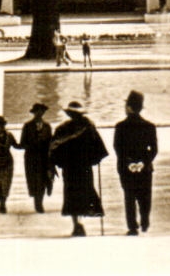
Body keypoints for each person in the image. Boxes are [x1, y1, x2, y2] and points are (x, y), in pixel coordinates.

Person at [49, 101, 107, 236]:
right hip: (81, 166)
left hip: (72, 167)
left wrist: (58, 162)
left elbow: (54, 148)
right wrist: (95, 159)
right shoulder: (87, 127)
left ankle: (77, 223)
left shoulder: (65, 128)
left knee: (73, 194)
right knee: (79, 193)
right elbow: (98, 148)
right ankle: (78, 224)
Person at [113, 89, 158, 236]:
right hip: (145, 167)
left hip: (126, 167)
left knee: (129, 196)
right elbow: (154, 149)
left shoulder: (120, 127)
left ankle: (132, 226)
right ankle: (144, 220)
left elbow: (118, 148)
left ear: (129, 108)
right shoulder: (149, 126)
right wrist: (143, 162)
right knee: (145, 195)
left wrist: (129, 163)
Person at [20, 103, 55, 212]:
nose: (40, 114)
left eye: (42, 111)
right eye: (38, 111)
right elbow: (23, 143)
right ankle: (37, 202)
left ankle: (40, 202)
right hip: (32, 158)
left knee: (44, 180)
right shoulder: (27, 126)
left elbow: (51, 142)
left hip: (44, 157)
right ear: (34, 113)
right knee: (35, 180)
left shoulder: (47, 127)